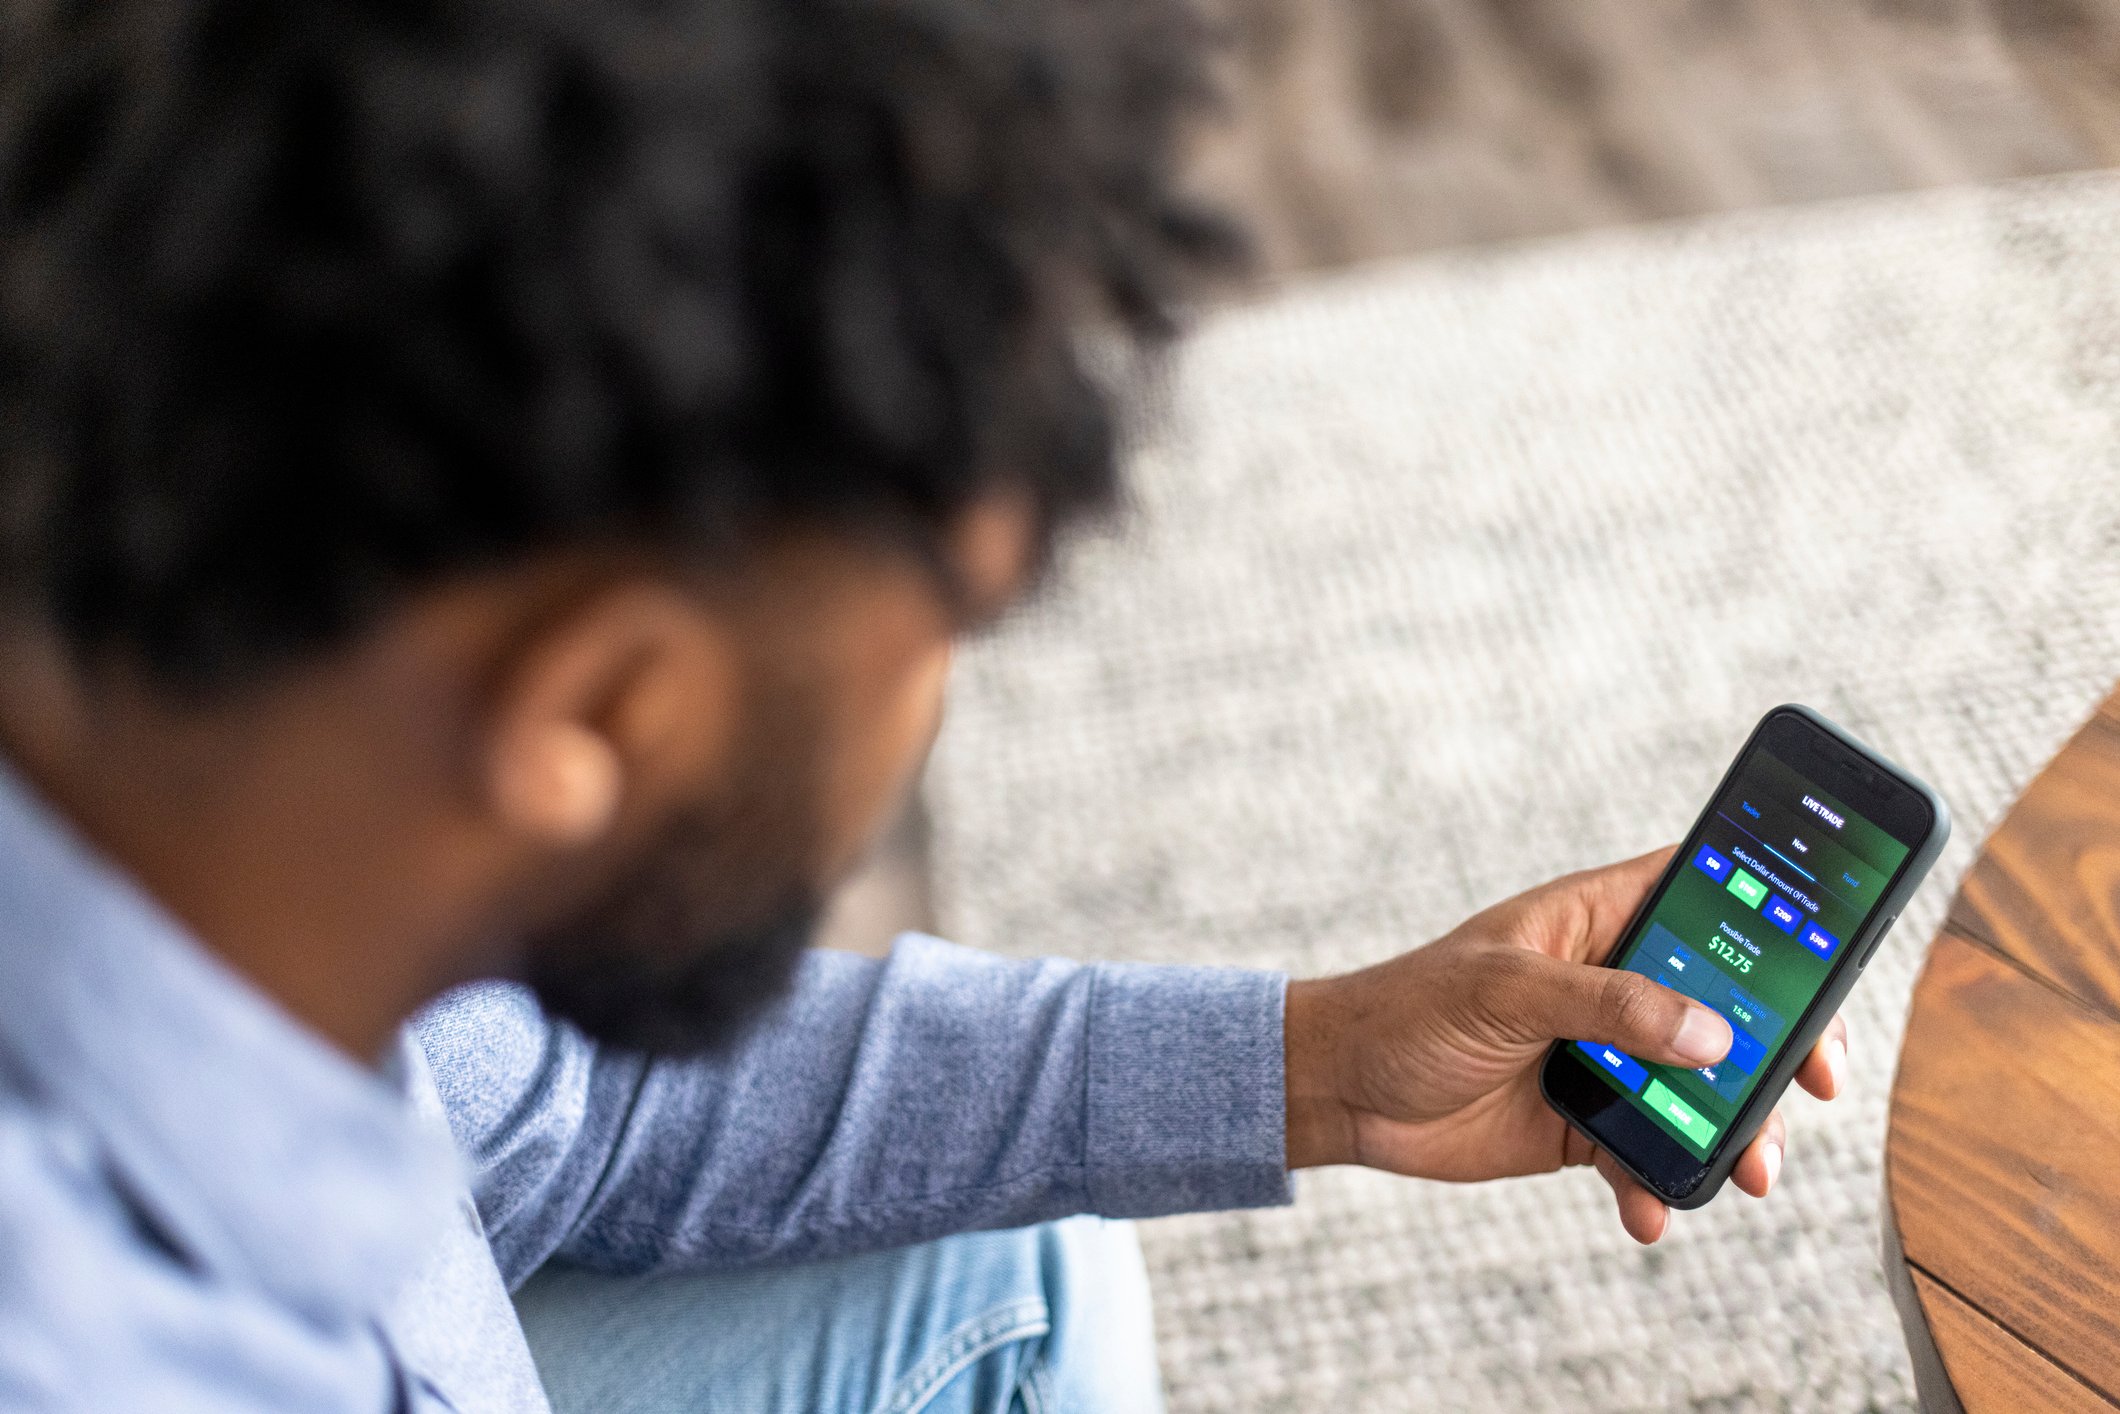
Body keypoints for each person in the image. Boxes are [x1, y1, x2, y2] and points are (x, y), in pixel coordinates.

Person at [0, 0, 1851, 1409]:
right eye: (946, 622)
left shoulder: (243, 779)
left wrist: (1325, 1060)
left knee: (1021, 1275)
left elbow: (560, 1099)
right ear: (602, 709)